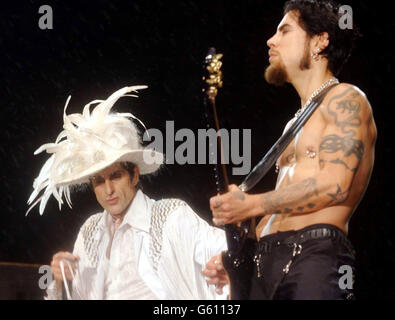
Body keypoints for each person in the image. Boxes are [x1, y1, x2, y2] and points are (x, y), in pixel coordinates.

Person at [203, 0, 376, 300]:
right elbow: (279, 210)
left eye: (285, 30)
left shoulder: (345, 99)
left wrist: (253, 205)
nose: (271, 41)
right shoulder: (292, 125)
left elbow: (335, 184)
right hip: (265, 264)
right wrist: (237, 260)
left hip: (314, 257)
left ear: (320, 41)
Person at [27, 85, 227, 299]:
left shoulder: (170, 215)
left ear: (134, 176)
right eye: (99, 181)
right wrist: (61, 281)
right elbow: (75, 296)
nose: (109, 189)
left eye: (116, 176)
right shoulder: (90, 232)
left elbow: (227, 251)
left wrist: (227, 263)